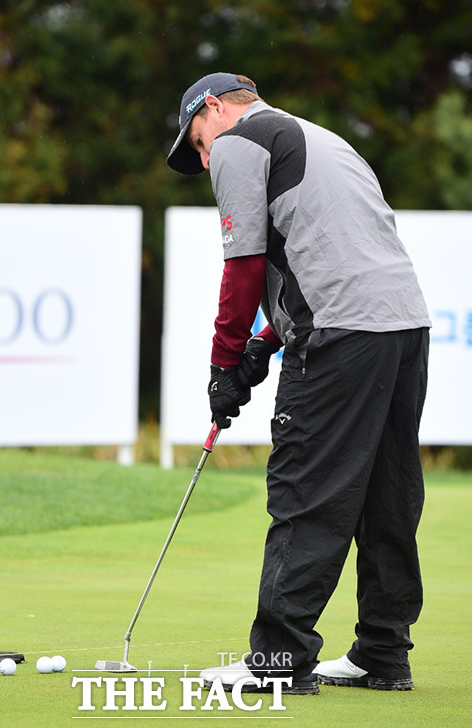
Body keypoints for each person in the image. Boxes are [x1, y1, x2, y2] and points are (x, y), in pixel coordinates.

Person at [166, 73, 431, 695]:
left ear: (214, 108)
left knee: (306, 488)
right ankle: (382, 653)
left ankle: (278, 660)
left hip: (341, 334)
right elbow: (331, 257)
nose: (204, 160)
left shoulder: (238, 141)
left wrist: (224, 363)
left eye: (198, 142)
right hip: (404, 328)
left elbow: (243, 265)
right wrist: (266, 341)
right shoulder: (325, 138)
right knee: (387, 493)